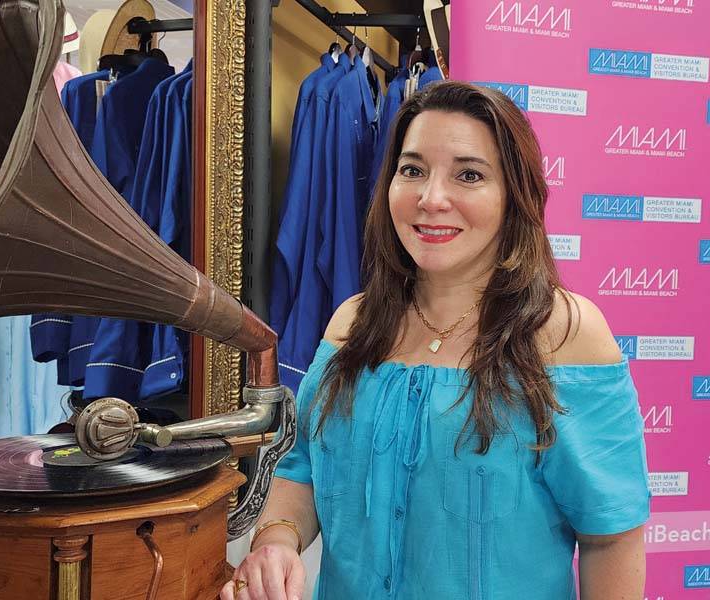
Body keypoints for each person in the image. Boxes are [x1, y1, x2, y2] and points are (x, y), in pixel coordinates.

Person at [221, 80, 650, 600]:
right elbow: (304, 470)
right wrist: (276, 541)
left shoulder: (564, 335)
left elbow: (610, 538)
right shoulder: (351, 326)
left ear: (515, 195)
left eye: (469, 175)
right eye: (413, 170)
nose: (431, 198)